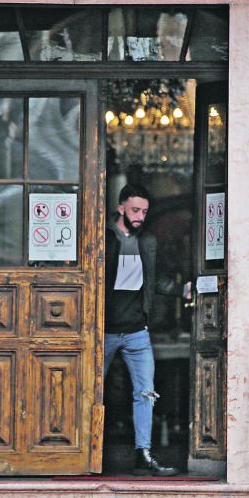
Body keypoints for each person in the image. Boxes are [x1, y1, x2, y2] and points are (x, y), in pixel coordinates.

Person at [104, 183, 191, 476]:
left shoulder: (148, 241)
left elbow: (152, 281)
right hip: (103, 331)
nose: (140, 216)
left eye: (144, 211)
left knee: (146, 393)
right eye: (134, 210)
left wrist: (183, 290)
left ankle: (144, 454)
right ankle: (83, 454)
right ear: (121, 209)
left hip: (137, 331)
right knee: (91, 391)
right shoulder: (103, 237)